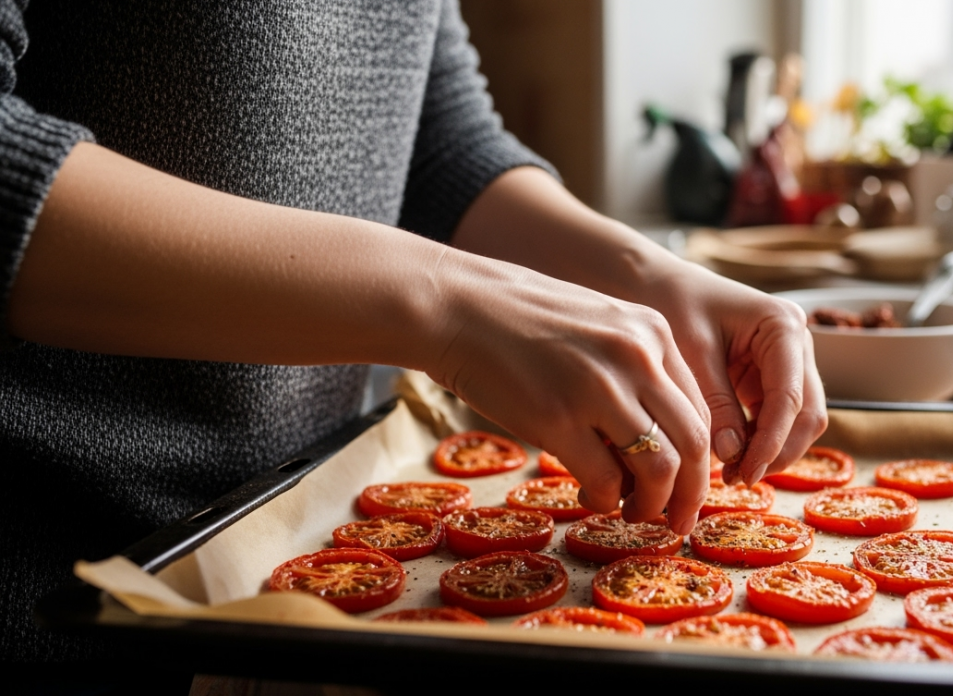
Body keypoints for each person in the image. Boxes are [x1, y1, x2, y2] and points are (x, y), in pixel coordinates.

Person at [0, 0, 826, 675]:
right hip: (55, 586)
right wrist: (446, 302)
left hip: (303, 561)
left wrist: (642, 273)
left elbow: (438, 145)